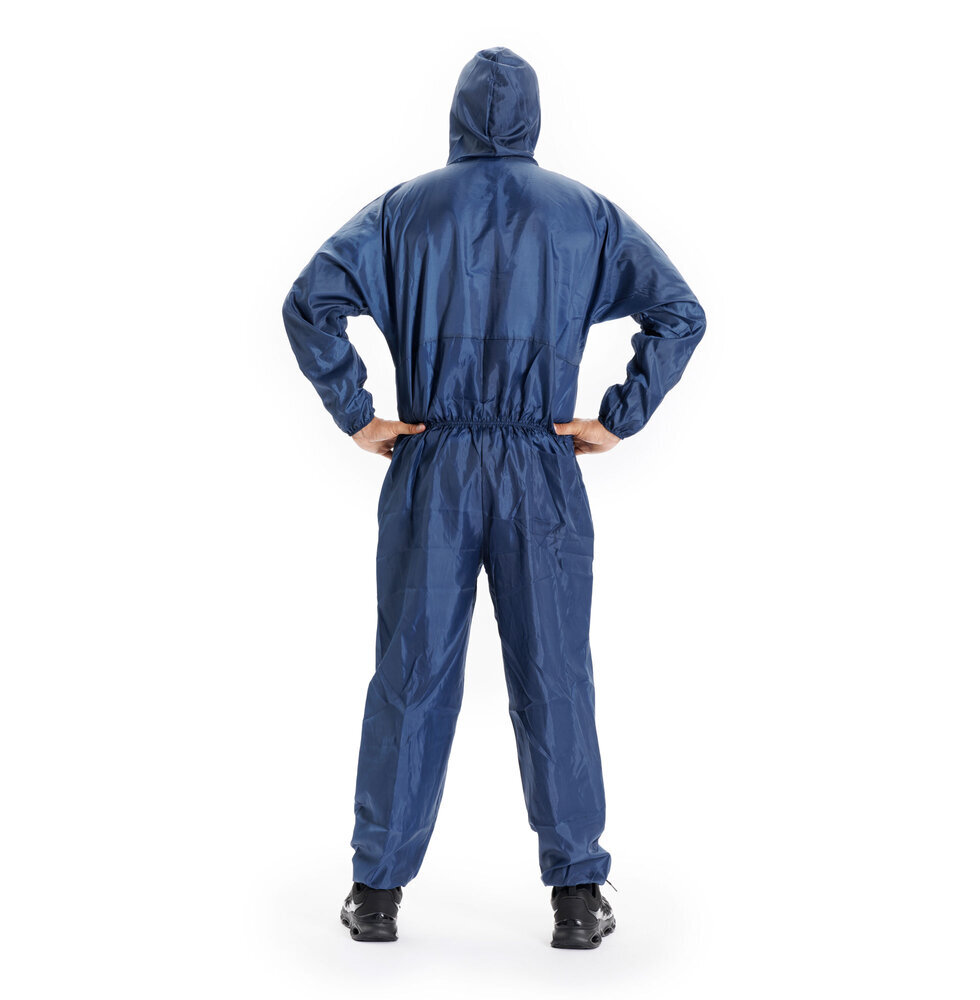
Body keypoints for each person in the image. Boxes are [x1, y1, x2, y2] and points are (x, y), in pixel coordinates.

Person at [281, 45, 706, 949]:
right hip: (539, 467)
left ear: (457, 115)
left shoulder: (402, 212)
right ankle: (578, 896)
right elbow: (679, 312)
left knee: (411, 673)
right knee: (555, 675)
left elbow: (309, 301)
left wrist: (358, 415)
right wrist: (616, 419)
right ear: (533, 118)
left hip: (432, 462)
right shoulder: (584, 216)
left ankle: (376, 892)